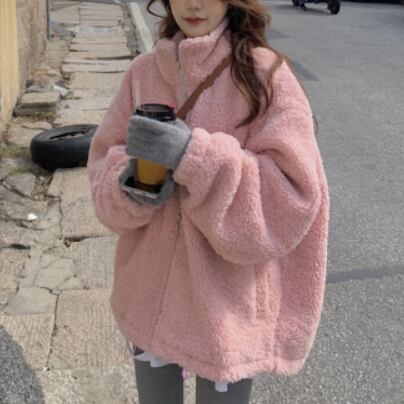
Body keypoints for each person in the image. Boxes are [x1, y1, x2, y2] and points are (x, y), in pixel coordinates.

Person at [87, 0, 330, 402]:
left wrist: (194, 158)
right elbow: (103, 161)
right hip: (150, 298)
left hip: (227, 310)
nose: (195, 4)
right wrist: (131, 184)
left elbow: (294, 194)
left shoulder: (264, 74)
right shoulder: (143, 74)